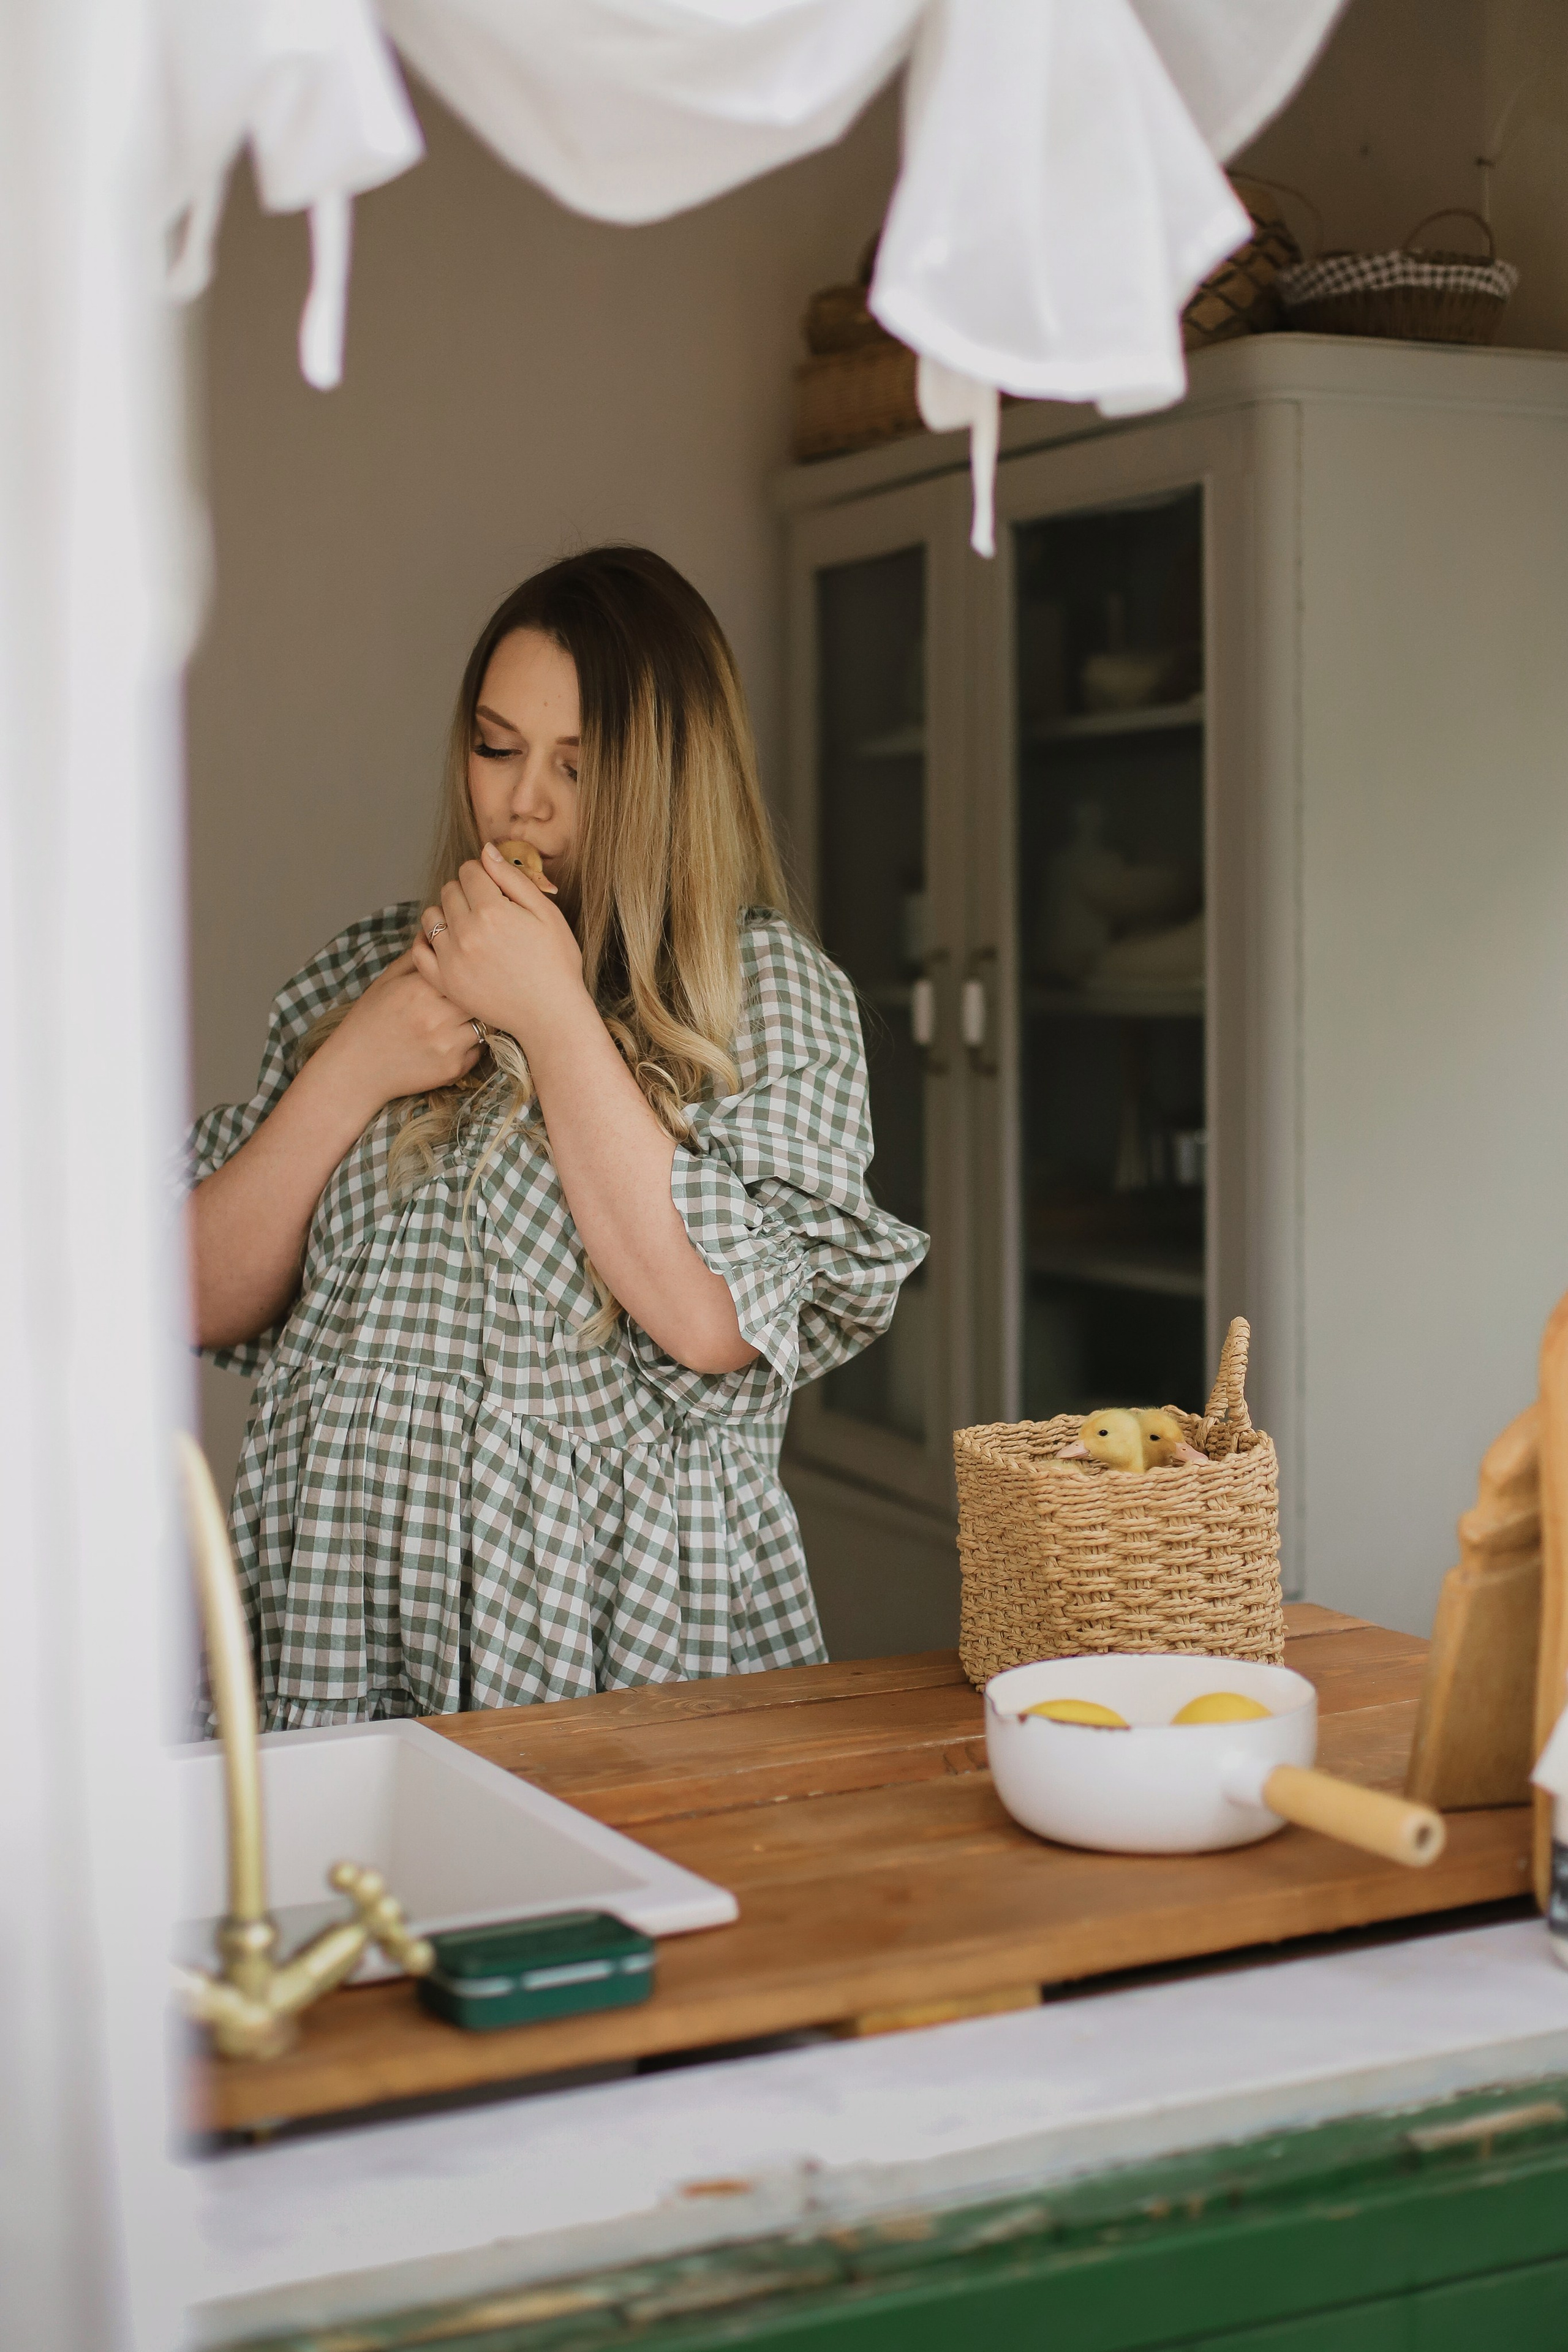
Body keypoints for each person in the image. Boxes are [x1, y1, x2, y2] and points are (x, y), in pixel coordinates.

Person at [186, 546, 927, 1727]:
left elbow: (713, 1322)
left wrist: (549, 1010)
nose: (522, 802)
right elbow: (193, 1296)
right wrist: (358, 1066)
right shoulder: (365, 974)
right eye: (497, 747)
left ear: (666, 780)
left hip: (611, 1633)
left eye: (577, 768)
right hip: (336, 1613)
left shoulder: (765, 996)